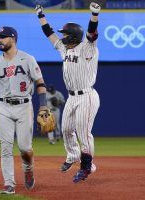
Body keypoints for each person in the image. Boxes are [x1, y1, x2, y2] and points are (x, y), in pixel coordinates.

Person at [35, 2, 101, 183]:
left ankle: (87, 167)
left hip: (87, 96)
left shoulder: (87, 48)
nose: (62, 36)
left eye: (65, 34)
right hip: (72, 96)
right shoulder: (65, 49)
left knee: (83, 132)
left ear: (73, 36)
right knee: (65, 129)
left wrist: (94, 14)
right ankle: (72, 156)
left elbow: (91, 33)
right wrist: (41, 16)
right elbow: (49, 34)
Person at [0, 26, 49, 194]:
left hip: (24, 106)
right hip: (3, 106)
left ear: (13, 39)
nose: (0, 40)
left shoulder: (27, 59)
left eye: (3, 37)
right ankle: (9, 184)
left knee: (25, 148)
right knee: (5, 147)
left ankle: (28, 169)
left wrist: (42, 105)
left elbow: (40, 83)